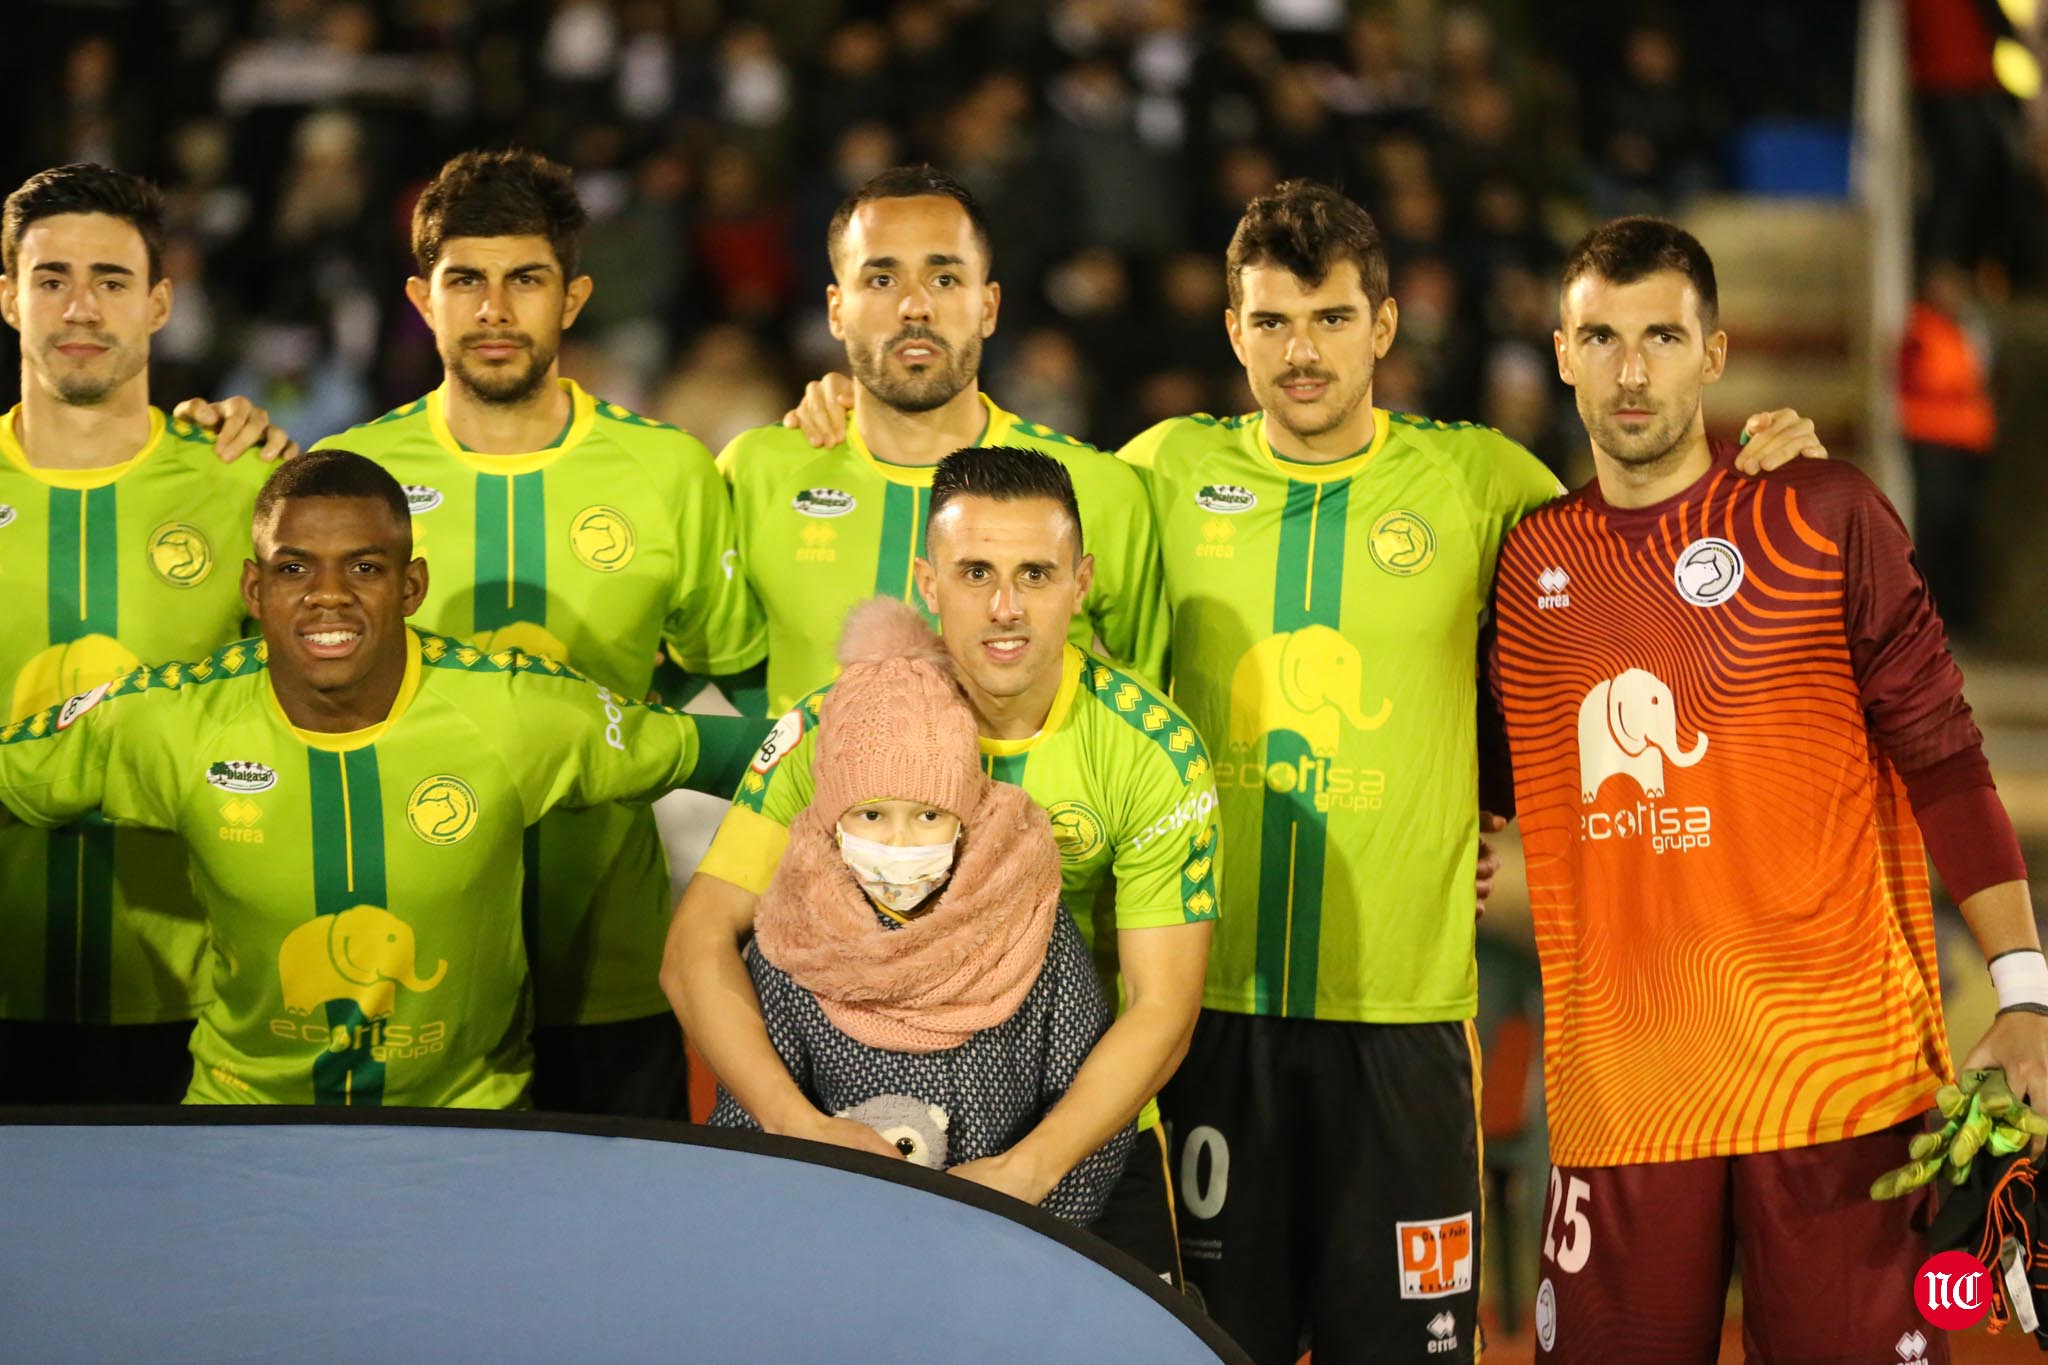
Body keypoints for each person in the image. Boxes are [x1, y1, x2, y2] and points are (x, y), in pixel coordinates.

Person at [1117, 181, 1827, 1364]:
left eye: (1332, 319)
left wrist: (1754, 498)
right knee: (1202, 1351)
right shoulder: (1155, 474)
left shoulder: (1482, 483)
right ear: (1232, 330)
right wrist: (848, 409)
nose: (1302, 353)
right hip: (1203, 1017)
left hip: (1404, 1026)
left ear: (1384, 326)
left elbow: (1640, 578)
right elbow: (1000, 512)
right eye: (1273, 322)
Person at [1489, 216, 2036, 1361]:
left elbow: (1941, 754)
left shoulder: (1819, 514)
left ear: (1715, 353)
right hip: (1625, 1104)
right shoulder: (1517, 565)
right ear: (1558, 352)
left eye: (1659, 336)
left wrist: (2023, 992)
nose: (1630, 372)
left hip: (1837, 1093)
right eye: (1599, 337)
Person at [0, 450, 767, 1107]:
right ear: (252, 589)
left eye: (363, 567)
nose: (327, 595)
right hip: (240, 1125)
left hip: (470, 1126)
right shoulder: (167, 717)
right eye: (293, 567)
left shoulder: (514, 708)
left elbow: (737, 753)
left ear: (410, 586)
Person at [666, 446, 1215, 1283]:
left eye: (1036, 574)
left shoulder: (1153, 751)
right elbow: (695, 945)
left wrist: (1030, 1171)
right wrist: (798, 1126)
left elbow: (1163, 1008)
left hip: (1075, 1134)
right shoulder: (836, 726)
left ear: (1083, 581)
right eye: (975, 573)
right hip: (852, 1133)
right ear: (928, 583)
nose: (1004, 607)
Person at [294, 150, 764, 1118]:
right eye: (466, 281)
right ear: (423, 298)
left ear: (574, 298)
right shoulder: (348, 475)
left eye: (526, 281)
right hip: (401, 973)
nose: (495, 311)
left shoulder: (667, 470)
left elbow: (744, 682)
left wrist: (636, 740)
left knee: (606, 1258)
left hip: (617, 967)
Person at [0, 162, 296, 1104]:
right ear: (9, 298)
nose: (80, 307)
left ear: (161, 303)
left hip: (199, 1001)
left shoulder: (244, 486)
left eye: (112, 281)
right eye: (52, 280)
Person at [707, 596, 1133, 1227]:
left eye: (928, 815)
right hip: (832, 1241)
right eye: (871, 815)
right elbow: (749, 1122)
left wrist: (1039, 1244)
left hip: (1009, 1246)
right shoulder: (792, 940)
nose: (899, 843)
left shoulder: (1030, 928)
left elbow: (1088, 1119)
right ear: (832, 817)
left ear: (966, 814)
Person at [722, 164, 1168, 718]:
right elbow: (717, 663)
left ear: (988, 306)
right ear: (837, 310)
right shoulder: (757, 472)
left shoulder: (1095, 488)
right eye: (882, 279)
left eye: (945, 279)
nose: (915, 306)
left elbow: (1153, 703)